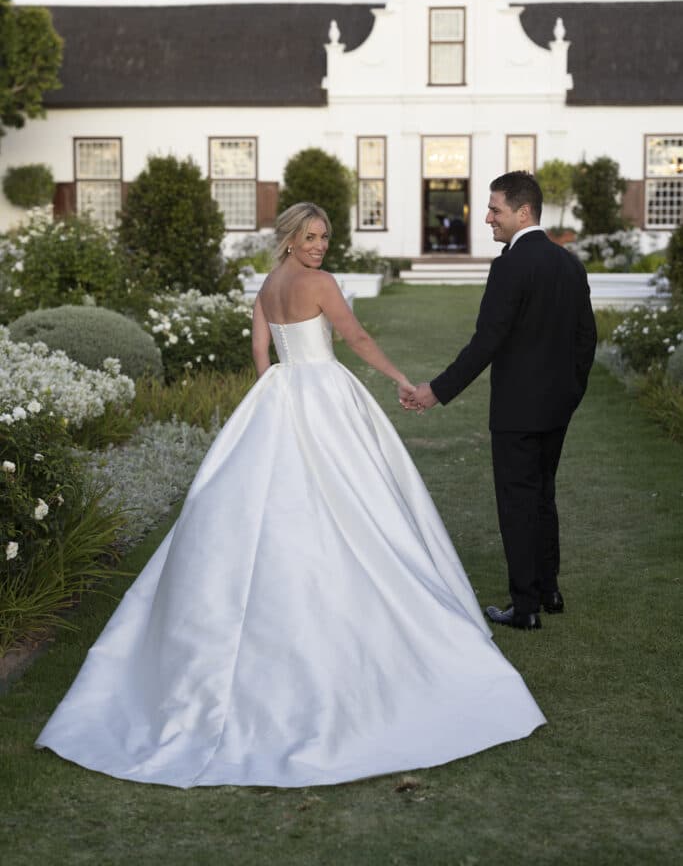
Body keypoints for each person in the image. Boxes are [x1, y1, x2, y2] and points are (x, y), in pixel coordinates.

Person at [36, 201, 545, 789]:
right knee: (351, 501)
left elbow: (262, 351)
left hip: (280, 394)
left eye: (324, 236)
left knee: (269, 502)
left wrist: (270, 395)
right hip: (325, 392)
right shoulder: (319, 284)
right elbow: (352, 335)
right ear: (290, 238)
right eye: (309, 236)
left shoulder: (268, 284)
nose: (319, 245)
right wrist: (403, 380)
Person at [407, 173, 597, 631]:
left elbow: (485, 343)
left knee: (517, 502)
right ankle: (549, 589)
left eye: (495, 209)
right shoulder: (568, 264)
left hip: (516, 411)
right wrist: (570, 393)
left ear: (523, 212)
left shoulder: (509, 265)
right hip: (556, 408)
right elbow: (585, 340)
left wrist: (436, 390)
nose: (487, 218)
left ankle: (526, 605)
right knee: (542, 496)